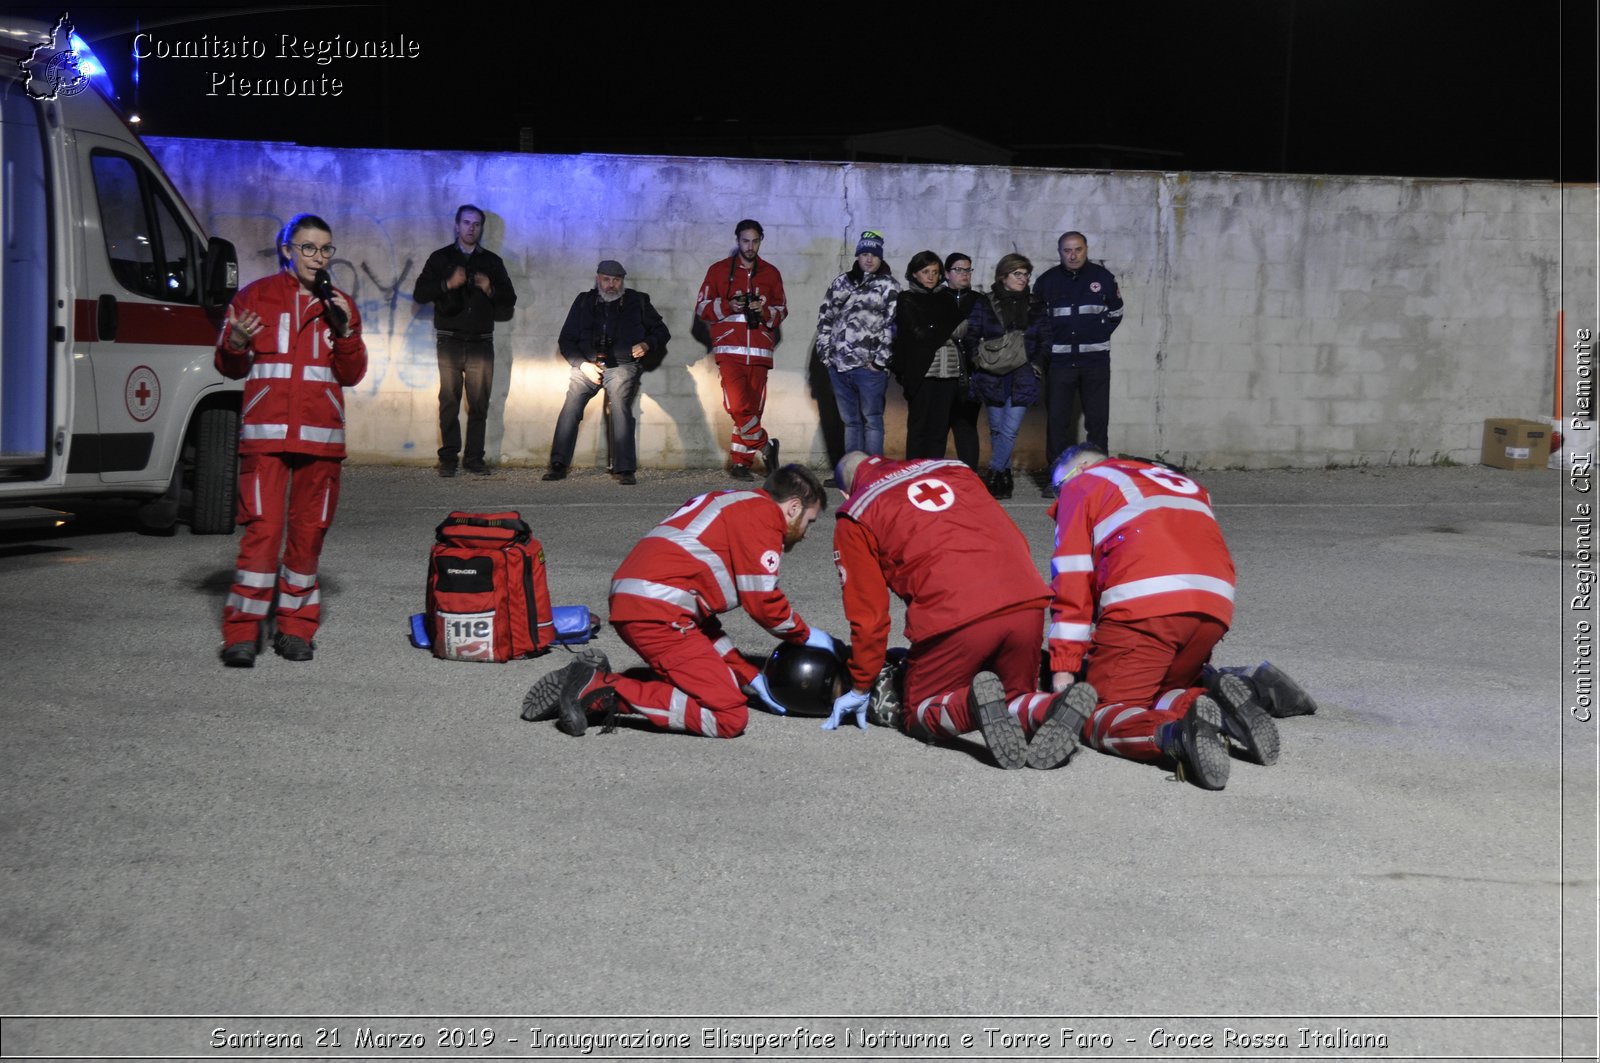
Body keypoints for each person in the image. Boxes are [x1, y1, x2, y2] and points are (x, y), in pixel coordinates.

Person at [522, 465, 836, 739]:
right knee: (728, 716)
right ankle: (600, 689)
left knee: (717, 680)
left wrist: (749, 674)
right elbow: (764, 604)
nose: (806, 533)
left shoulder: (731, 502)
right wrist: (808, 636)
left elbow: (704, 625)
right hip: (657, 613)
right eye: (809, 521)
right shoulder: (765, 517)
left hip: (643, 603)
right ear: (793, 507)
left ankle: (595, 680)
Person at [827, 452, 1097, 769]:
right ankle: (1051, 708)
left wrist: (861, 684)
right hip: (1024, 598)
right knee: (1013, 697)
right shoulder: (953, 468)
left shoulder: (856, 511)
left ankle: (970, 706)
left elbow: (869, 617)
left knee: (918, 712)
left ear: (846, 491)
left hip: (954, 616)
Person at [1045, 445, 1282, 789]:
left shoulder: (1082, 485)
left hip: (1146, 606)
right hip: (1213, 606)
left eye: (1058, 485)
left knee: (1099, 712)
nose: (1059, 494)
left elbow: (1071, 579)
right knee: (1161, 691)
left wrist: (1063, 671)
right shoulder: (1176, 480)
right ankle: (1219, 708)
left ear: (1079, 468)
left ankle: (1175, 736)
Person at [216, 214, 366, 667]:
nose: (317, 257)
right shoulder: (254, 298)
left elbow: (351, 373)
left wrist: (343, 334)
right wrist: (237, 343)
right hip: (266, 440)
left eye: (325, 250)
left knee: (307, 538)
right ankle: (242, 634)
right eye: (308, 248)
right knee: (262, 535)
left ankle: (295, 630)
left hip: (320, 442)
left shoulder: (340, 303)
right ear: (287, 250)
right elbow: (229, 366)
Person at [412, 205, 517, 477]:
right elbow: (420, 293)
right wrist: (448, 284)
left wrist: (489, 288)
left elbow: (510, 300)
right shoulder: (440, 258)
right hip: (449, 340)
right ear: (457, 226)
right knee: (449, 400)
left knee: (479, 403)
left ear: (482, 228)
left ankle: (474, 458)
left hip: (482, 342)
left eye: (477, 224)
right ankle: (448, 458)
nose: (471, 228)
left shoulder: (492, 262)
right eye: (467, 223)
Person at [543, 260, 669, 486]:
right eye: (606, 279)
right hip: (587, 364)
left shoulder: (637, 301)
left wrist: (647, 344)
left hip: (622, 364)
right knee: (571, 405)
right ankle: (558, 464)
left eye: (616, 280)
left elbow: (662, 331)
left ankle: (625, 468)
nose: (611, 285)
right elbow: (566, 340)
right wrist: (582, 365)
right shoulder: (584, 301)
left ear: (622, 281)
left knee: (619, 405)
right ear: (598, 278)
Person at [696, 219, 786, 481]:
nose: (750, 246)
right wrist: (729, 306)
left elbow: (782, 311)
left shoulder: (771, 273)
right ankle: (766, 446)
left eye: (755, 241)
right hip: (729, 350)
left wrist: (764, 310)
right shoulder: (718, 271)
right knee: (737, 405)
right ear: (737, 241)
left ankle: (741, 463)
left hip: (760, 351)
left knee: (752, 409)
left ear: (761, 241)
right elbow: (701, 308)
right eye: (745, 241)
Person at [1034, 231, 1123, 469]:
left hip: (1095, 363)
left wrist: (1098, 333)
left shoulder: (1102, 277)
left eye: (1078, 249)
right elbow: (1037, 321)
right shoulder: (1047, 281)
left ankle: (1099, 475)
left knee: (1097, 422)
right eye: (1067, 250)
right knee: (1057, 422)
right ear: (1060, 252)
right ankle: (1057, 476)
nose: (1073, 255)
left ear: (1086, 249)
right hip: (1059, 364)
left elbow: (1116, 313)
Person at [961, 253, 1045, 499]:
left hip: (1023, 375)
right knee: (996, 430)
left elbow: (1045, 337)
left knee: (1009, 430)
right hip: (992, 375)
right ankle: (1005, 477)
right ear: (1003, 276)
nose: (1023, 278)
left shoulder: (1035, 304)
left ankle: (994, 471)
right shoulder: (986, 302)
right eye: (1017, 274)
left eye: (1026, 274)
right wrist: (978, 359)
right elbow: (972, 333)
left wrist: (1036, 366)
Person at [816, 231, 899, 458]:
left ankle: (873, 474)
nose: (869, 259)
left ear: (880, 257)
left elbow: (892, 326)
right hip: (839, 366)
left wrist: (879, 363)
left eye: (873, 254)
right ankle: (852, 473)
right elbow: (825, 318)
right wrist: (826, 356)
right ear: (858, 256)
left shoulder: (889, 286)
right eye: (864, 254)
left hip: (869, 370)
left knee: (872, 420)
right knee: (851, 422)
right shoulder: (842, 282)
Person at [892, 251, 978, 464]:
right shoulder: (907, 298)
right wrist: (942, 327)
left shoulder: (946, 298)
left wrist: (932, 327)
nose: (930, 276)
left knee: (939, 430)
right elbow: (917, 333)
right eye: (925, 272)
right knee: (918, 428)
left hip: (947, 372)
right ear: (915, 274)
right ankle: (913, 474)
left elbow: (962, 329)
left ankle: (933, 474)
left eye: (935, 272)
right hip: (922, 373)